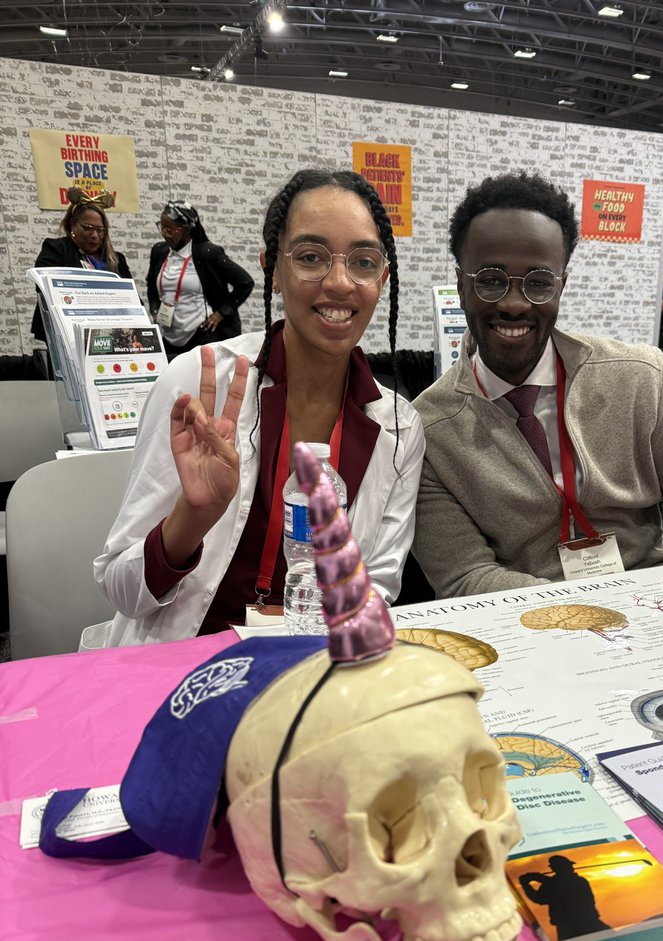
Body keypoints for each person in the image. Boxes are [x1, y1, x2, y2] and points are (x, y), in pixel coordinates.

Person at [90, 167, 425, 647]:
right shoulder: (199, 384)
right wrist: (191, 519)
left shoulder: (399, 428)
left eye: (364, 262)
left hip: (311, 668)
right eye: (310, 257)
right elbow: (121, 591)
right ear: (272, 271)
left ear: (382, 277)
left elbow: (378, 590)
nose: (339, 282)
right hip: (181, 667)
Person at [412, 171, 663, 599]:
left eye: (538, 282)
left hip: (657, 607)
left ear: (561, 285)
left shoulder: (639, 377)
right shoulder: (428, 430)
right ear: (461, 284)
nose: (513, 304)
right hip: (524, 626)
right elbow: (465, 575)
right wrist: (584, 613)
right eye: (490, 280)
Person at [147, 203, 255, 359]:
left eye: (170, 230)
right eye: (161, 227)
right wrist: (155, 310)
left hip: (200, 334)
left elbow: (245, 282)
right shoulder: (159, 251)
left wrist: (221, 313)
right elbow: (151, 285)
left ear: (187, 229)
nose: (165, 234)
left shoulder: (208, 253)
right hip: (168, 333)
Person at [31, 187, 132, 341]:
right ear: (72, 225)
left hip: (112, 334)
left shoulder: (117, 259)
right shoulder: (56, 249)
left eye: (100, 230)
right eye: (88, 228)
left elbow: (133, 300)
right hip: (66, 335)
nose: (94, 235)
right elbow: (43, 288)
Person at [519, 856, 609, 941]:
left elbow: (540, 897)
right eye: (569, 865)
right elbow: (543, 896)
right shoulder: (579, 880)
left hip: (575, 925)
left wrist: (527, 884)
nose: (572, 867)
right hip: (576, 925)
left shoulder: (574, 881)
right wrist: (540, 880)